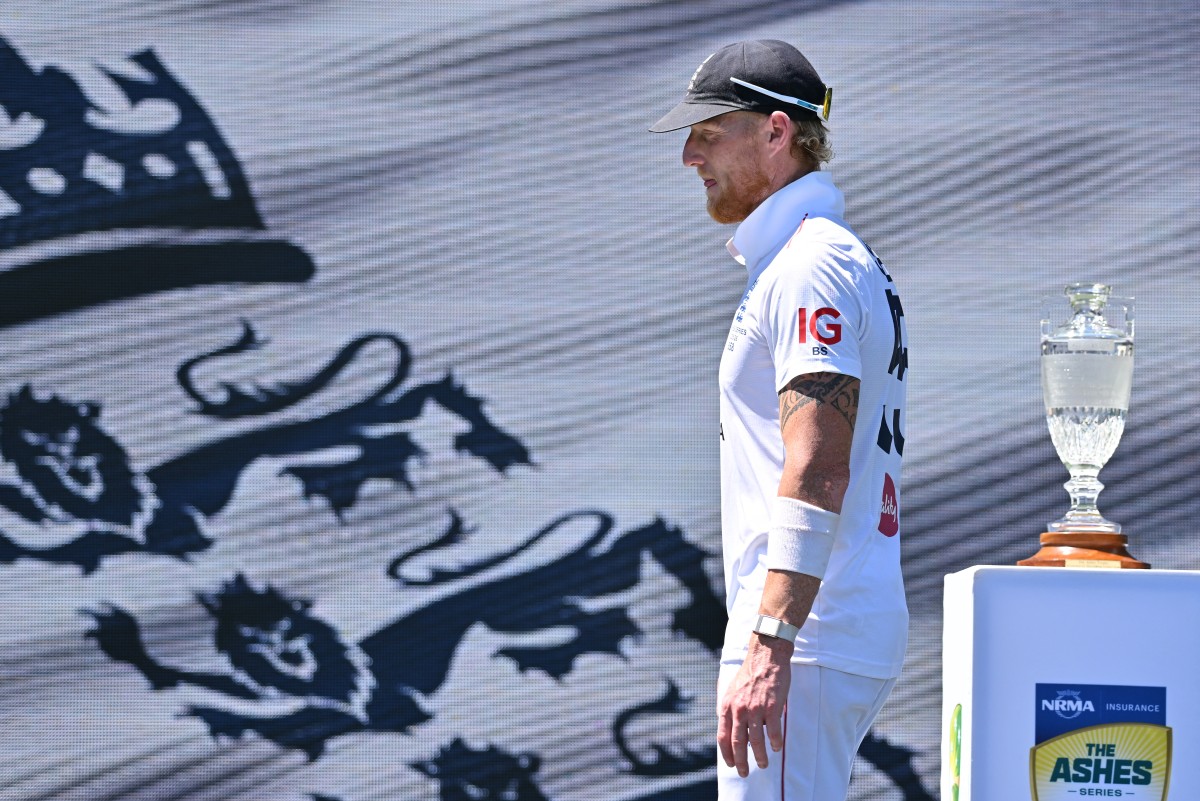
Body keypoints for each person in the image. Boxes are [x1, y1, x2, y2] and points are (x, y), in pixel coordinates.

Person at [649, 40, 909, 799]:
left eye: (708, 132)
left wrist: (770, 643)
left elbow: (820, 462)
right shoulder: (813, 257)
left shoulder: (809, 265)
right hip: (817, 628)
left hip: (807, 632)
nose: (690, 156)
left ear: (775, 132)